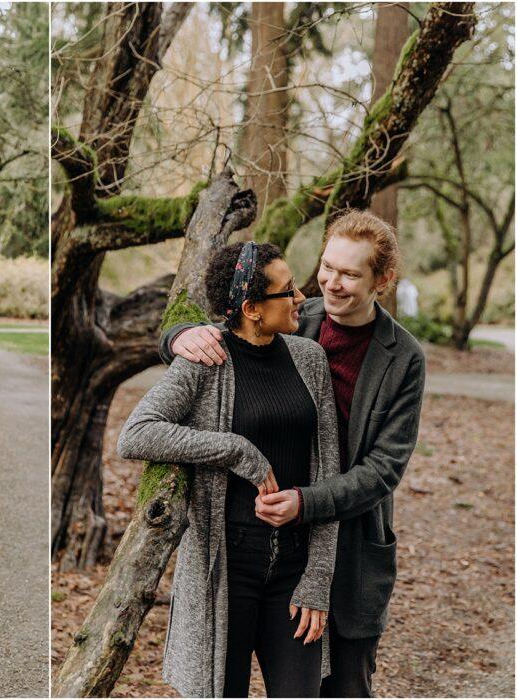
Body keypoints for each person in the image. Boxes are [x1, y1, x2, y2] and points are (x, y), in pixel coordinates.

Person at [160, 210, 426, 697]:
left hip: (350, 545)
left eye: (350, 274)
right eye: (327, 266)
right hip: (262, 542)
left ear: (383, 280)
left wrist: (307, 502)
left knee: (343, 685)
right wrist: (177, 337)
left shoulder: (404, 358)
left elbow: (384, 469)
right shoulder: (294, 319)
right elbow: (232, 327)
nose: (331, 283)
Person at [118, 241, 341, 698]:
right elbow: (136, 433)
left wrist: (317, 580)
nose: (302, 297)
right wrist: (236, 449)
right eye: (288, 290)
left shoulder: (309, 359)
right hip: (225, 572)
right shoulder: (206, 361)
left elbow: (329, 472)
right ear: (252, 308)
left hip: (294, 573)